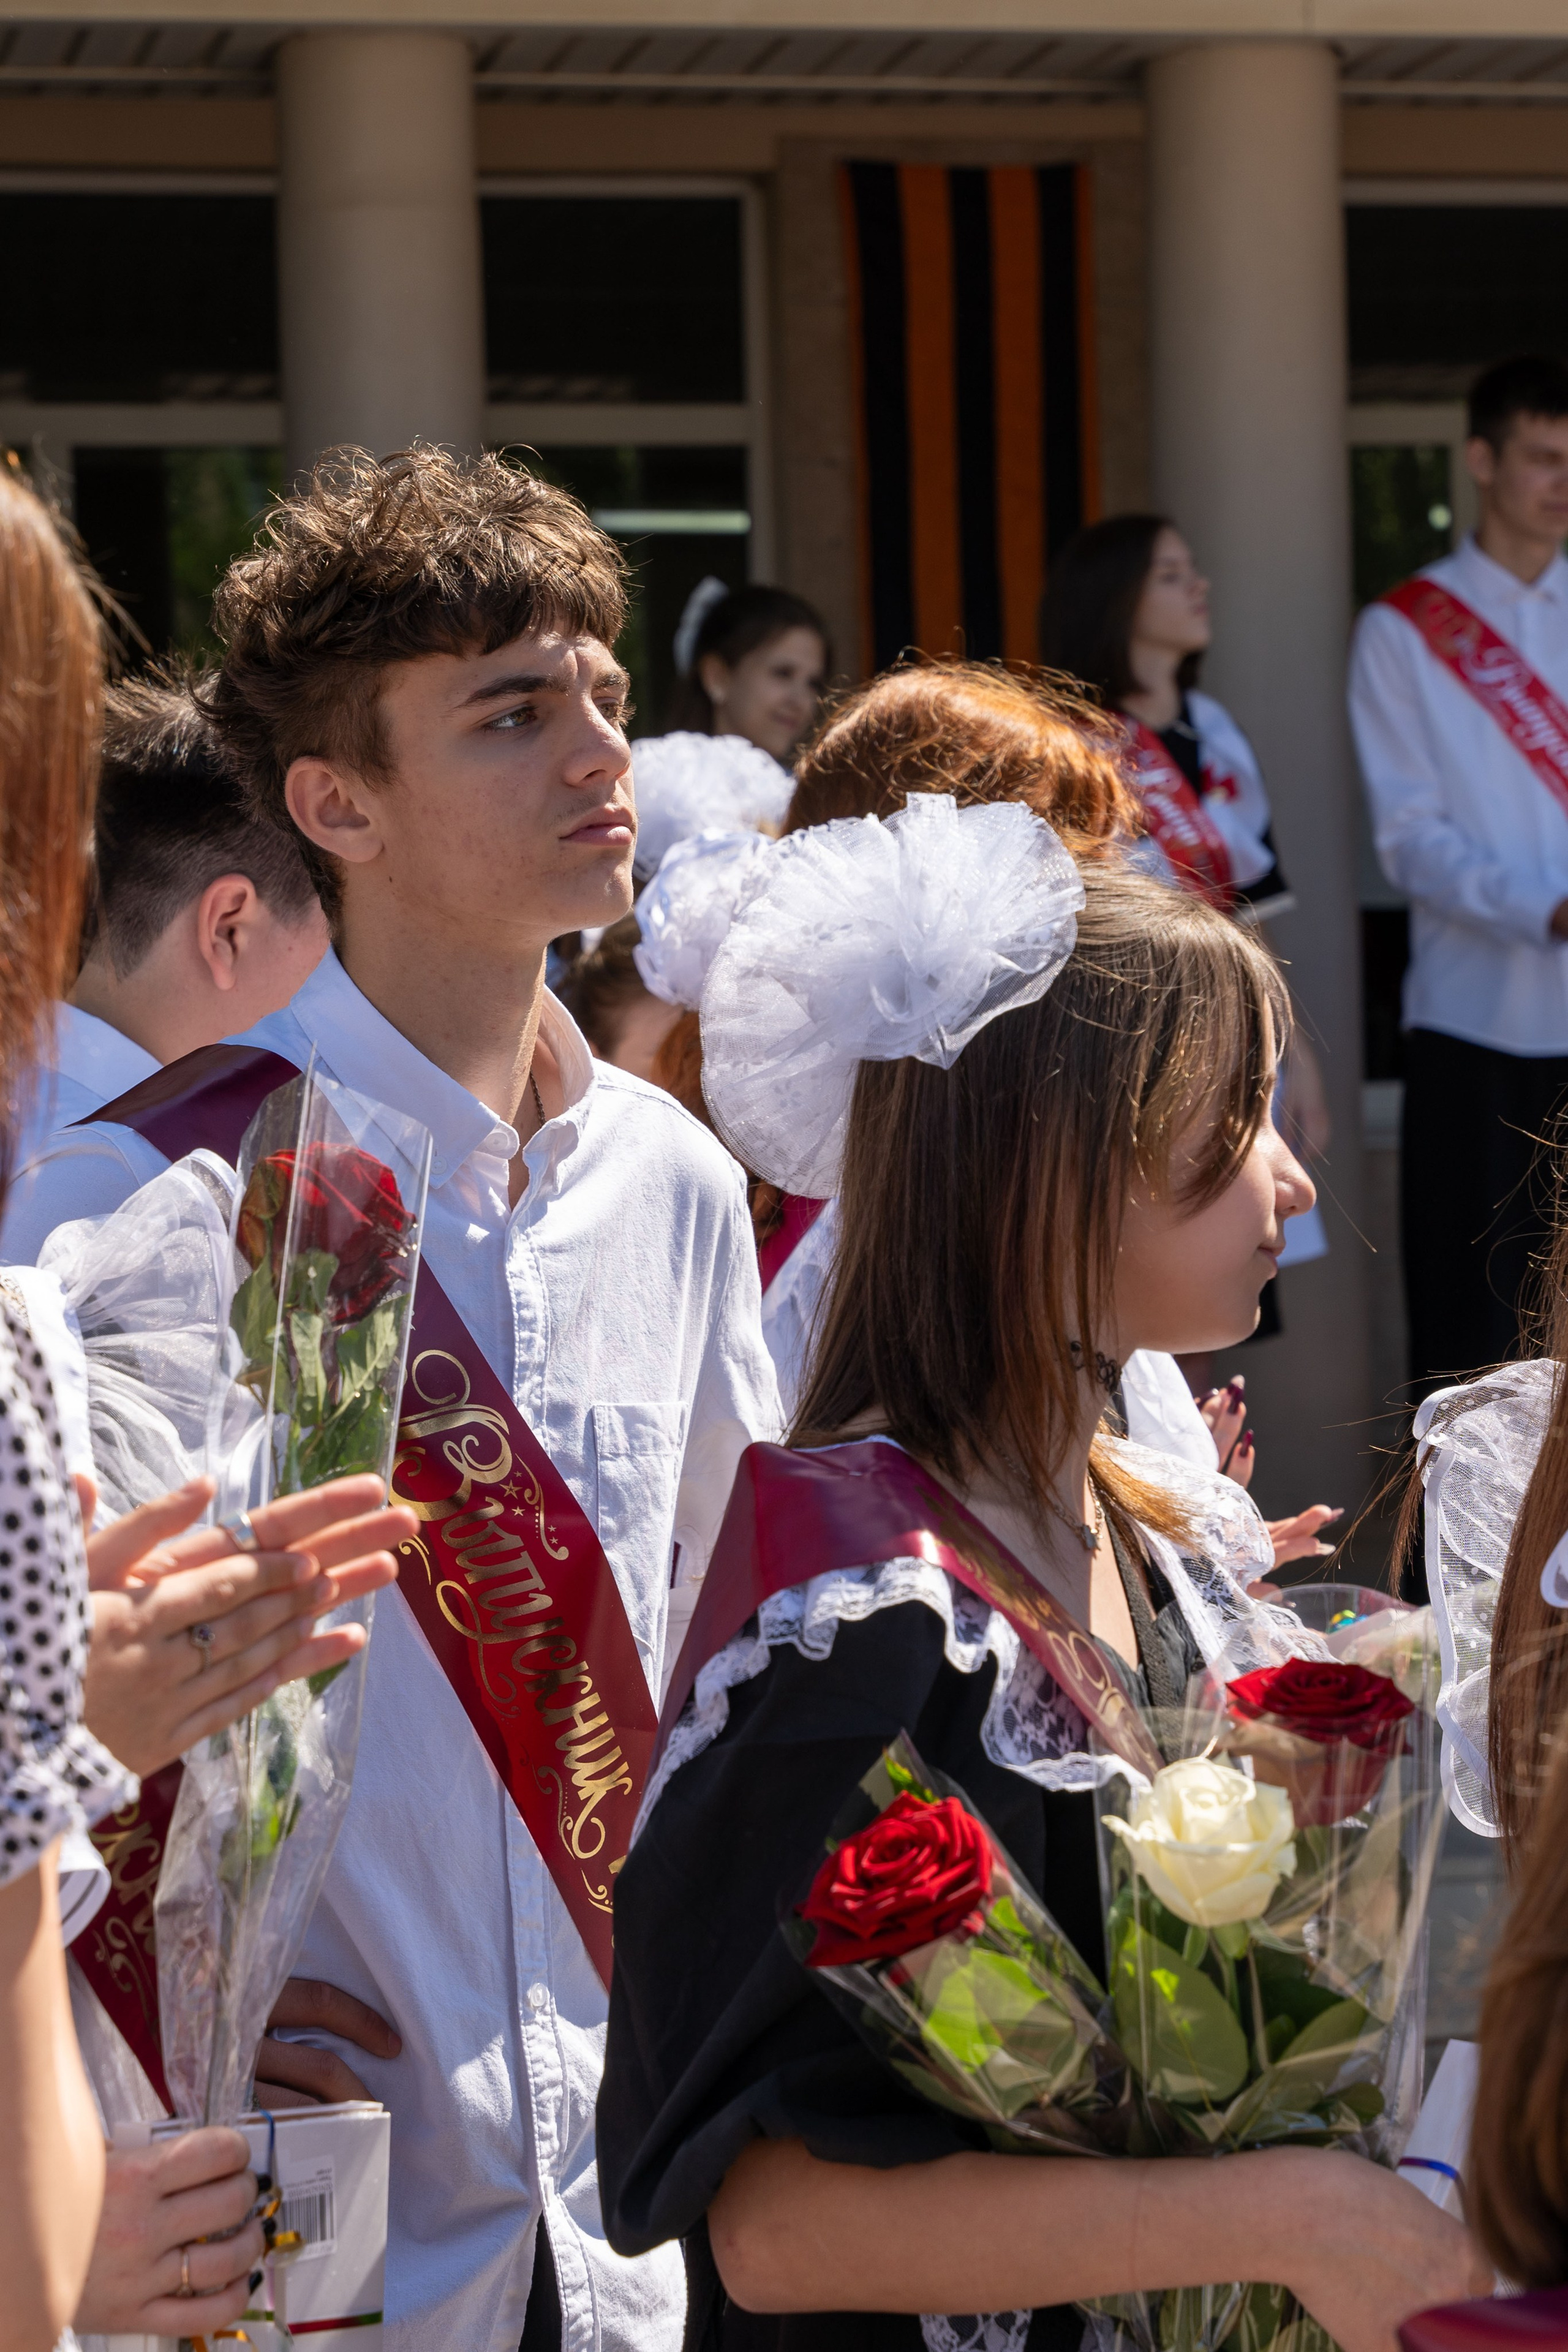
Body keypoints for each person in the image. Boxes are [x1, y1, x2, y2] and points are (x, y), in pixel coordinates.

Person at [25, 446, 782, 2352]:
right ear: (332, 801)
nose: (599, 751)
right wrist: (158, 1993)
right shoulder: (154, 1198)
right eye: (511, 715)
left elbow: (717, 1659)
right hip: (305, 2193)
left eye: (606, 694)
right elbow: (54, 1702)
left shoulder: (674, 1184)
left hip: (627, 2205)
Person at [595, 802, 1484, 2351]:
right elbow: (772, 2220)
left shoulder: (1128, 1516)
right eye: (1228, 1129)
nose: (1286, 1178)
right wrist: (1274, 2215)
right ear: (1047, 1172)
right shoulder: (853, 1613)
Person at [1351, 352, 1568, 1394]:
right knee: (1473, 1335)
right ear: (1481, 460)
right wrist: (1546, 909)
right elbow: (1411, 839)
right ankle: (1455, 1568)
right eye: (1542, 456)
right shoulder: (1403, 630)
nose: (1561, 479)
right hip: (1473, 1026)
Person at [1, 666, 329, 1264]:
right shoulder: (115, 1181)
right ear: (227, 928)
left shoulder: (34, 1109)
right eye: (338, 932)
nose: (351, 974)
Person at [665, 578, 829, 764]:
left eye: (813, 684)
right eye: (783, 673)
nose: (800, 701)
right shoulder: (661, 780)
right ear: (717, 677)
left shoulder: (802, 790)